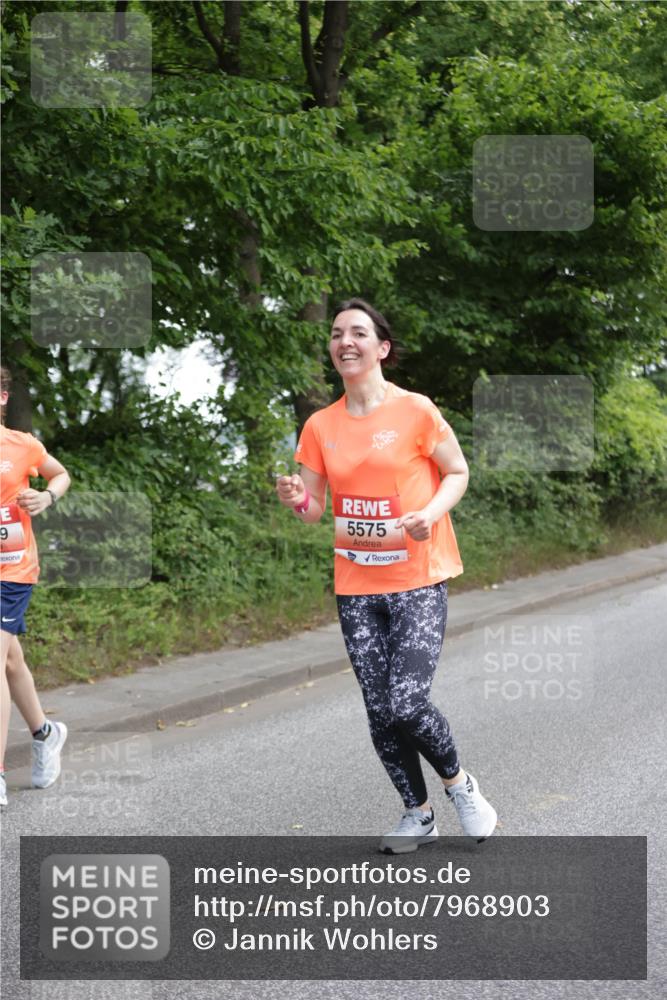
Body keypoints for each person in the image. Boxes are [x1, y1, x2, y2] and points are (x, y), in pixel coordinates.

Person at [276, 299, 497, 853]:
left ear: (382, 348)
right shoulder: (320, 425)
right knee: (379, 710)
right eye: (335, 334)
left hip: (418, 578)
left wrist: (432, 513)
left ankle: (459, 784)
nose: (344, 341)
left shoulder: (416, 410)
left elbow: (457, 470)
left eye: (357, 333)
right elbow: (313, 509)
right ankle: (416, 813)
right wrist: (295, 497)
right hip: (356, 587)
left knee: (407, 702)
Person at [0, 365, 71, 809]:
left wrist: (47, 497)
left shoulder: (22, 445)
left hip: (12, 569)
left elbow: (60, 474)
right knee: (10, 659)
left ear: (2, 398)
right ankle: (46, 733)